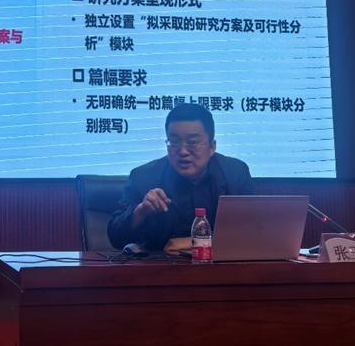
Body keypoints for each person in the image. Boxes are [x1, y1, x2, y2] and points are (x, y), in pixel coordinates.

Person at [108, 103, 255, 250]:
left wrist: (191, 242)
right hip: (159, 263)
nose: (183, 151)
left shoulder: (235, 174)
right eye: (174, 142)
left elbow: (252, 232)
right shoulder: (143, 177)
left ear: (212, 147)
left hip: (219, 263)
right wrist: (141, 211)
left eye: (192, 143)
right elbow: (115, 237)